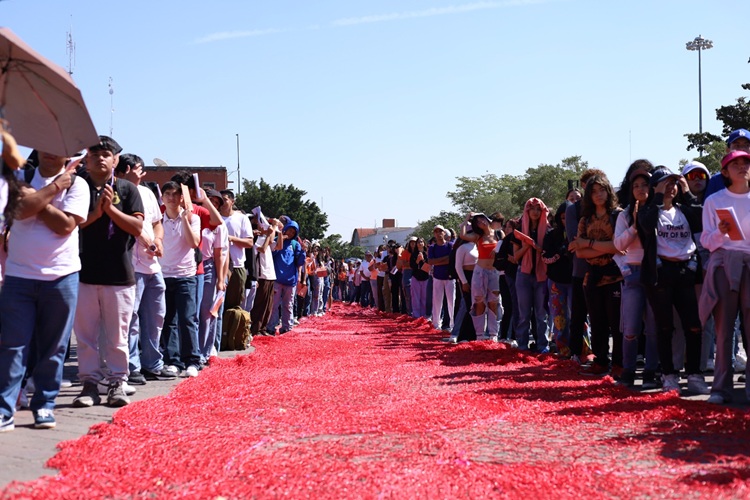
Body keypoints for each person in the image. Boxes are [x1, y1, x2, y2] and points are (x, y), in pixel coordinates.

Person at [0, 151, 87, 432]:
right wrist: (53, 189)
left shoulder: (78, 184)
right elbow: (19, 211)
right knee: (13, 346)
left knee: (54, 348)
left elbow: (65, 226)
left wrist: (34, 198)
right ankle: (5, 409)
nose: (51, 150)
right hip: (18, 276)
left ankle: (44, 405)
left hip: (62, 276)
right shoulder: (19, 176)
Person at [73, 136, 144, 408]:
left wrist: (111, 210)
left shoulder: (127, 189)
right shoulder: (77, 187)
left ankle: (117, 382)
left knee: (117, 336)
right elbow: (74, 224)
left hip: (119, 274)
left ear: (116, 160)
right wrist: (97, 212)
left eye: (107, 154)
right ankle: (89, 384)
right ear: (86, 159)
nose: (101, 158)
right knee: (86, 336)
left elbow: (137, 229)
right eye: (95, 153)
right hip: (83, 272)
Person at [639, 167, 709, 395]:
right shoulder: (648, 209)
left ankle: (695, 374)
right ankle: (669, 374)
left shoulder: (686, 210)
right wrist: (657, 195)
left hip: (685, 272)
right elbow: (647, 226)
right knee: (665, 327)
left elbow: (701, 217)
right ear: (655, 187)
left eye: (674, 183)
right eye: (665, 183)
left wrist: (687, 192)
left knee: (694, 326)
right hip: (660, 275)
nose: (671, 186)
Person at [115, 154, 171, 384]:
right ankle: (132, 365)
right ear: (126, 168)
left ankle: (153, 363)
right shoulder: (119, 191)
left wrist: (158, 241)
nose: (141, 173)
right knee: (131, 318)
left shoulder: (148, 193)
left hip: (153, 266)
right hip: (130, 263)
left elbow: (157, 222)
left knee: (156, 315)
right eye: (138, 168)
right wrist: (147, 241)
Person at [700, 150, 750, 404]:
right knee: (723, 328)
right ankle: (720, 388)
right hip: (724, 263)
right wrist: (720, 233)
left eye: (746, 162)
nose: (742, 167)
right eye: (735, 164)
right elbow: (707, 241)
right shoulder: (715, 200)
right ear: (725, 172)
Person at [569, 175, 624, 377]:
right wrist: (604, 248)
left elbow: (619, 246)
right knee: (597, 322)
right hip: (591, 277)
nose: (598, 195)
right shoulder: (585, 220)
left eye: (602, 190)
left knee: (617, 322)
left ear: (608, 191)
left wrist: (589, 244)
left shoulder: (619, 216)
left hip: (616, 276)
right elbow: (580, 253)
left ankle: (619, 363)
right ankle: (601, 361)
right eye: (593, 191)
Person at [613, 167, 659, 388]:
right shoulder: (624, 213)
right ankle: (628, 371)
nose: (641, 189)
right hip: (632, 272)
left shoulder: (659, 211)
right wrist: (633, 226)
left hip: (654, 273)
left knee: (653, 327)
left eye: (645, 185)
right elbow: (618, 245)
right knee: (630, 328)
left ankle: (651, 371)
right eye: (636, 186)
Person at [159, 181, 201, 377]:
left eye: (175, 194)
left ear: (182, 198)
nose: (171, 197)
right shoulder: (158, 221)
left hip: (186, 276)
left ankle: (192, 360)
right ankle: (172, 361)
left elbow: (194, 243)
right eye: (167, 194)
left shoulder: (193, 219)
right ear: (162, 198)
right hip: (164, 275)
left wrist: (184, 218)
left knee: (187, 319)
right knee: (169, 320)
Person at [514, 198, 549, 352]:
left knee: (541, 314)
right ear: (526, 210)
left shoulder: (548, 230)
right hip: (523, 273)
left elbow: (549, 252)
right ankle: (522, 345)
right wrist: (528, 245)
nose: (535, 211)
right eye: (532, 208)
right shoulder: (519, 229)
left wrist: (539, 248)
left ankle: (543, 345)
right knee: (524, 313)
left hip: (542, 274)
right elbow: (516, 257)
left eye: (538, 209)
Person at [197, 190, 228, 361]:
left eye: (217, 203)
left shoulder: (219, 226)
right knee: (191, 312)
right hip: (190, 265)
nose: (213, 204)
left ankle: (205, 351)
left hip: (209, 266)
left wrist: (221, 279)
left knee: (207, 312)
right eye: (210, 201)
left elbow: (221, 254)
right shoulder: (194, 216)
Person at [542, 202, 573, 357]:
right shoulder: (551, 235)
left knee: (578, 316)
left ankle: (583, 349)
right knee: (559, 317)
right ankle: (562, 349)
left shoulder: (580, 233)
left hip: (575, 280)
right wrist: (560, 253)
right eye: (563, 218)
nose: (565, 221)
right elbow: (545, 257)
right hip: (556, 280)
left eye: (569, 217)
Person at [266, 219, 305, 335]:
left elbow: (299, 262)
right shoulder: (277, 240)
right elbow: (271, 255)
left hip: (290, 280)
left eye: (293, 232)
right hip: (277, 278)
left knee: (288, 305)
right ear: (285, 229)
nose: (291, 233)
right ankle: (271, 327)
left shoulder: (295, 244)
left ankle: (287, 327)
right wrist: (280, 241)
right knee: (274, 305)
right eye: (289, 230)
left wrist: (303, 252)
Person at [219, 190, 254, 311]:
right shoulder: (214, 217)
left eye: (225, 199)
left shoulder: (241, 218)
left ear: (232, 201)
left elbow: (250, 243)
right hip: (216, 266)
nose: (221, 202)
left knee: (234, 305)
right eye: (220, 200)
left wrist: (231, 239)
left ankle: (231, 329)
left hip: (237, 266)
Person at [249, 218, 278, 337]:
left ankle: (263, 327)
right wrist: (269, 234)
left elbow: (278, 246)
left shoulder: (267, 238)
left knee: (268, 304)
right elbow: (262, 248)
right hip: (262, 274)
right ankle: (256, 328)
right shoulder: (256, 239)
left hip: (270, 274)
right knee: (260, 303)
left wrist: (277, 230)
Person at [428, 225, 455, 331]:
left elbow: (451, 260)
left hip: (449, 276)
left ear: (444, 233)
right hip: (437, 276)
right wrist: (445, 259)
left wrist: (437, 261)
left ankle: (452, 324)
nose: (438, 234)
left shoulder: (450, 246)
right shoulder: (432, 247)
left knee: (451, 301)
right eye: (436, 232)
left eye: (440, 231)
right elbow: (430, 261)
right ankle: (436, 323)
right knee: (437, 301)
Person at [410, 238, 430, 319]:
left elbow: (429, 265)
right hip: (416, 277)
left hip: (425, 278)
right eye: (418, 242)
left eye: (421, 242)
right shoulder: (414, 254)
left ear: (424, 243)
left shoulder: (427, 253)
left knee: (424, 297)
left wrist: (423, 259)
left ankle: (424, 314)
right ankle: (416, 315)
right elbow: (412, 266)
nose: (420, 243)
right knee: (416, 297)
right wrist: (417, 261)